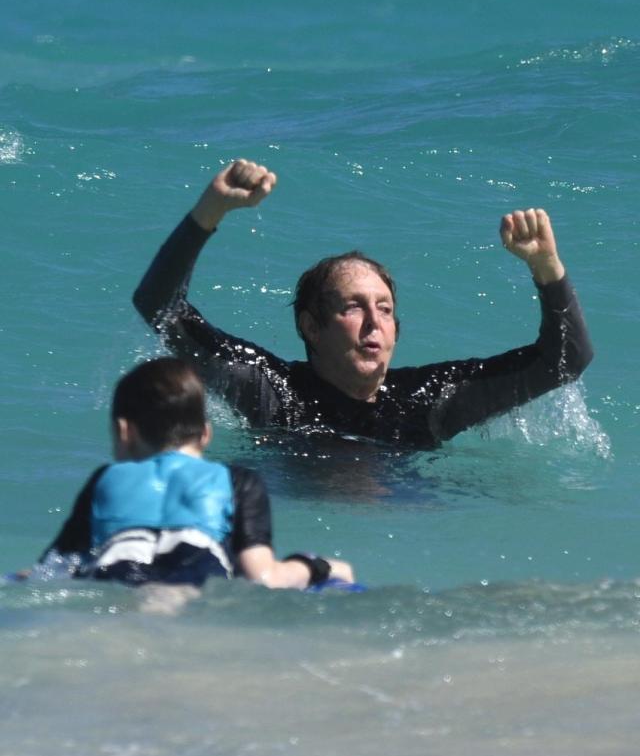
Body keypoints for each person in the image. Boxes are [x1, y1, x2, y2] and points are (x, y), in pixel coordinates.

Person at [133, 159, 594, 449]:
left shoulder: (428, 400)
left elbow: (565, 361)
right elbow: (159, 307)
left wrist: (547, 267)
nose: (375, 322)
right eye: (353, 307)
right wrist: (209, 213)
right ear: (311, 326)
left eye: (386, 309)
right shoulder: (271, 389)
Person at [35, 357, 355, 592]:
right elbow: (263, 578)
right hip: (196, 578)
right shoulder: (237, 481)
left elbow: (50, 571)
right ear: (205, 434)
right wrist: (316, 565)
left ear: (124, 432)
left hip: (116, 576)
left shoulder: (104, 479)